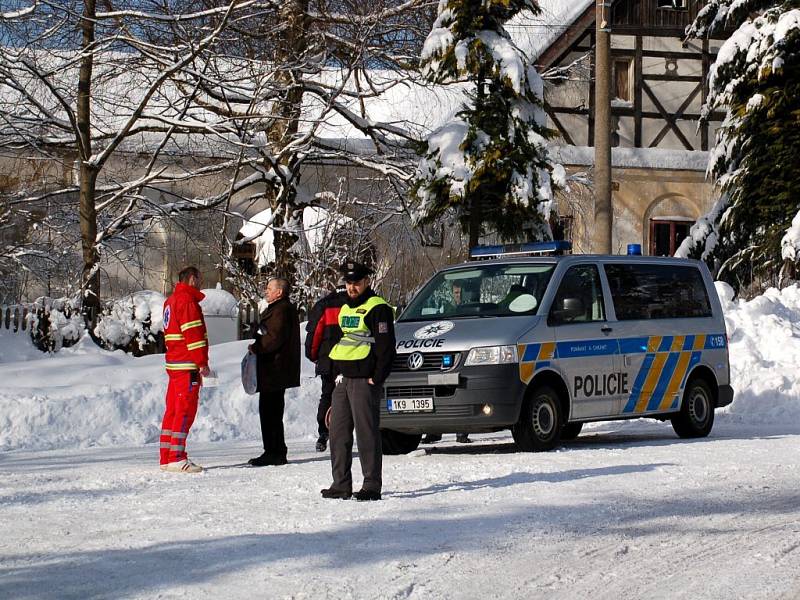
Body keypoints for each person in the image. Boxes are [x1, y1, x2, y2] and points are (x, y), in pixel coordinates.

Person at [321, 260, 396, 501]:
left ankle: (371, 485)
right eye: (348, 282)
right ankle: (341, 484)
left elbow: (386, 347)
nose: (352, 287)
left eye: (356, 282)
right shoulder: (345, 307)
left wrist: (377, 377)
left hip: (365, 379)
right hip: (344, 379)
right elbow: (341, 342)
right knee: (338, 432)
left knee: (366, 433)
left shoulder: (378, 307)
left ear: (367, 282)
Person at [160, 266, 211, 473]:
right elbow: (194, 334)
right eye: (200, 279)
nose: (201, 283)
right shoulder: (187, 301)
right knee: (185, 411)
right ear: (192, 279)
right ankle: (177, 457)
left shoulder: (170, 301)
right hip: (187, 364)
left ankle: (166, 456)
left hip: (174, 364)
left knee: (172, 410)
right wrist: (202, 363)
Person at [248, 277, 301, 467]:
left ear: (280, 292)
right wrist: (258, 331)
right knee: (270, 411)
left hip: (276, 370)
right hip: (274, 370)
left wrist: (257, 347)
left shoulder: (282, 310)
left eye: (269, 288)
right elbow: (268, 332)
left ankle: (275, 452)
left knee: (270, 412)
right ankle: (273, 450)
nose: (266, 290)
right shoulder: (278, 309)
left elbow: (274, 338)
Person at [423, 281, 471, 445]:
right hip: (441, 358)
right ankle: (434, 431)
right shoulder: (447, 309)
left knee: (456, 393)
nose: (458, 296)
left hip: (456, 357)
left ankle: (461, 432)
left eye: (460, 293)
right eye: (456, 293)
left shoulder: (470, 309)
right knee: (436, 393)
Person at [305, 283, 348, 452]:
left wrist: (313, 356)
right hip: (355, 361)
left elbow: (314, 334)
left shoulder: (324, 304)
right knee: (356, 397)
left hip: (329, 361)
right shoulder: (359, 303)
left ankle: (324, 433)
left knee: (328, 395)